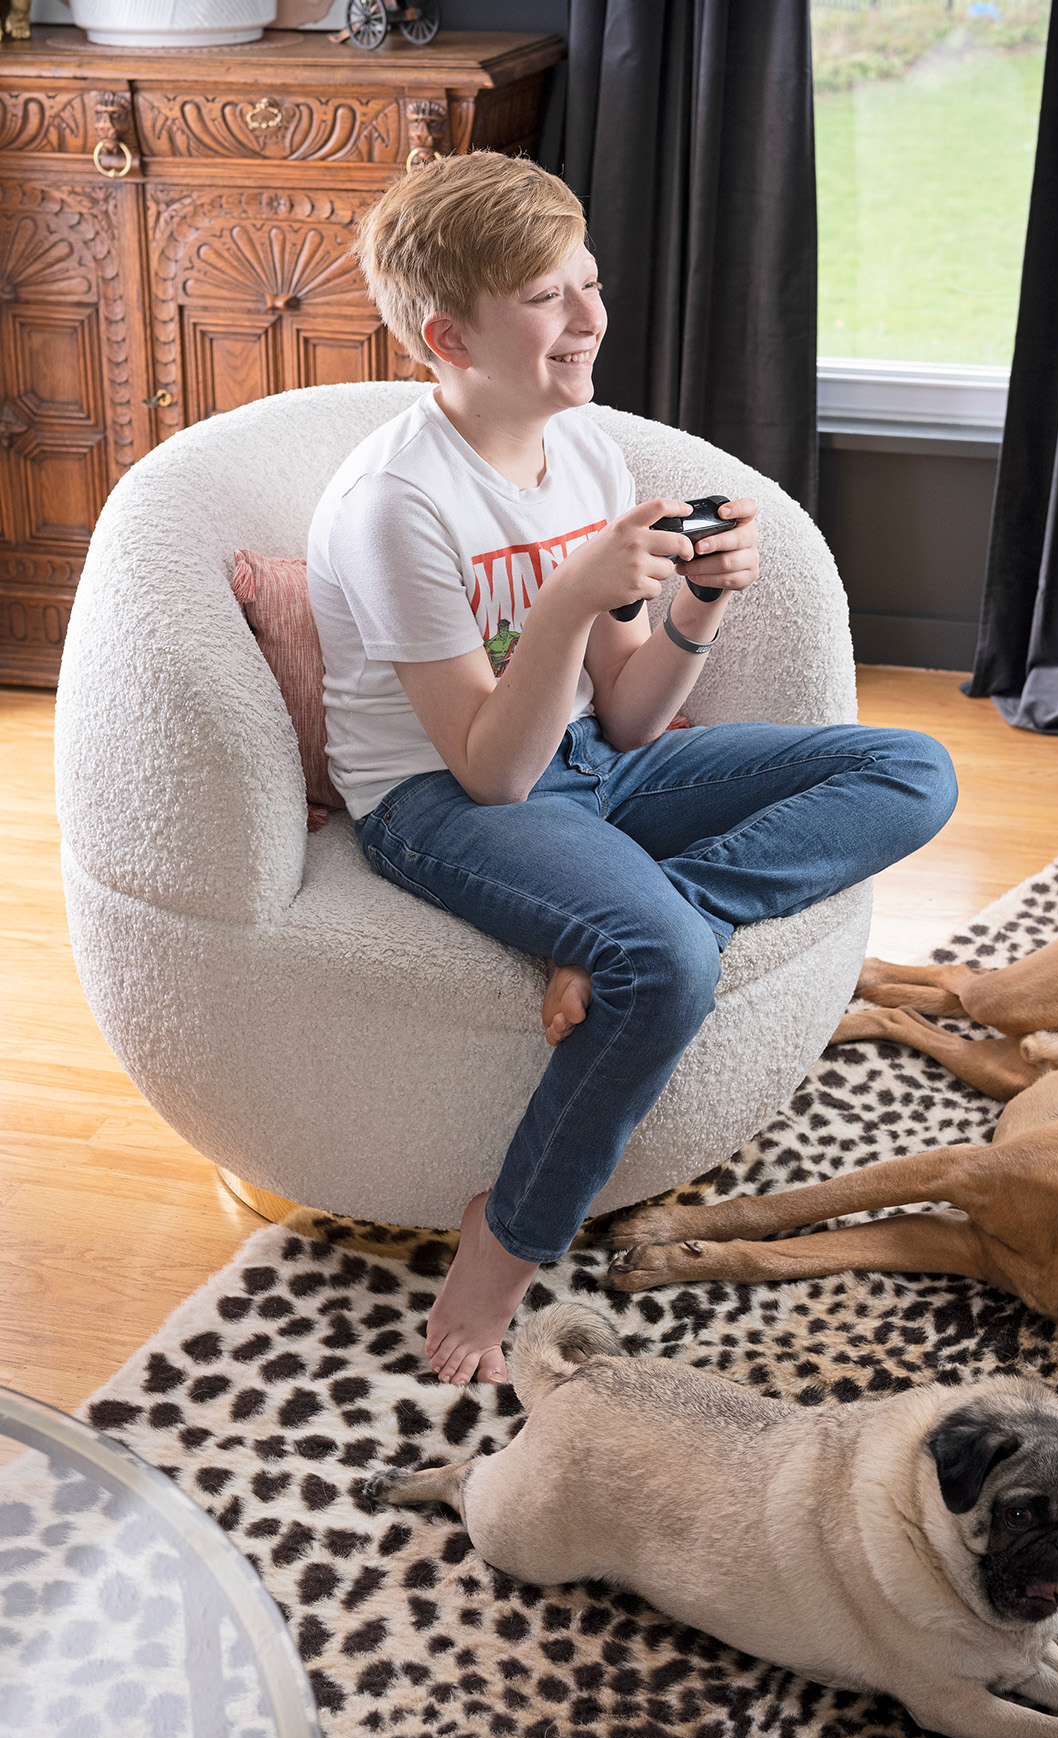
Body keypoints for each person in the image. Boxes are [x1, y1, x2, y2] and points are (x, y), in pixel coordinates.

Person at [308, 151, 958, 1390]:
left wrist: (697, 606)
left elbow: (634, 716)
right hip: (440, 805)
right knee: (655, 970)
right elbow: (492, 776)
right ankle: (504, 1239)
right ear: (449, 336)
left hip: (593, 769)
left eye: (589, 284)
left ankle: (656, 915)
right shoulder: (394, 506)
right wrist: (562, 604)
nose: (594, 320)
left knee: (911, 770)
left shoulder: (590, 452)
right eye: (551, 298)